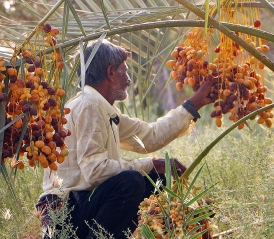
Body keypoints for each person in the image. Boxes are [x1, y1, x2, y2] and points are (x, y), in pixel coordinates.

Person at [36, 39, 215, 239]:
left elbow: (150, 136)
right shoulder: (89, 105)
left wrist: (195, 103)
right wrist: (151, 163)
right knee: (131, 182)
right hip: (67, 211)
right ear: (111, 72)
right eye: (125, 71)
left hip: (82, 206)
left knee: (157, 181)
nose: (129, 79)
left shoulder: (102, 109)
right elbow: (95, 171)